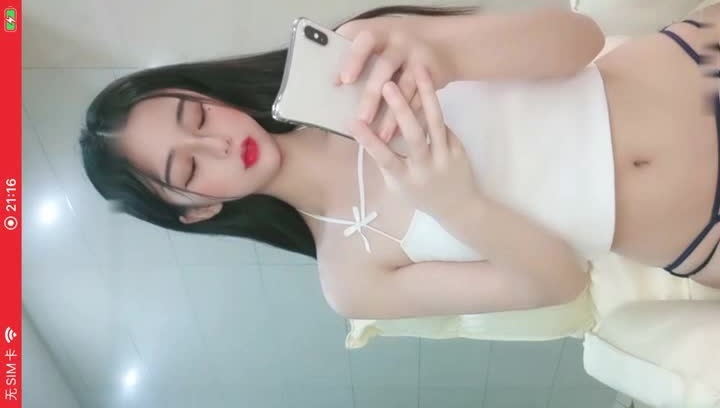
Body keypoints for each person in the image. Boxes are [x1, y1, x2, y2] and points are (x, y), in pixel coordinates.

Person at [79, 4, 720, 320]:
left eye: (196, 116)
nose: (217, 143)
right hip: (702, 230)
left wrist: (446, 52)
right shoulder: (350, 279)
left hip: (696, 64)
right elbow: (561, 284)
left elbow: (579, 38)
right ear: (197, 211)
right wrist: (458, 206)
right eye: (188, 171)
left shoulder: (356, 55)